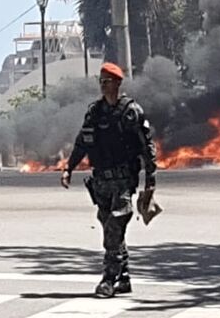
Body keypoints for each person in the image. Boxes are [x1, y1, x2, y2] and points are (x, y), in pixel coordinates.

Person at [61, 62, 157, 298]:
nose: (104, 86)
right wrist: (69, 168)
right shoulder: (94, 112)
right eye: (101, 82)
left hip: (124, 180)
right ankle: (123, 277)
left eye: (108, 82)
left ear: (118, 83)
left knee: (114, 228)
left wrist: (151, 180)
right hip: (101, 182)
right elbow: (82, 142)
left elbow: (147, 147)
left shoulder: (131, 112)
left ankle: (108, 279)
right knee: (109, 227)